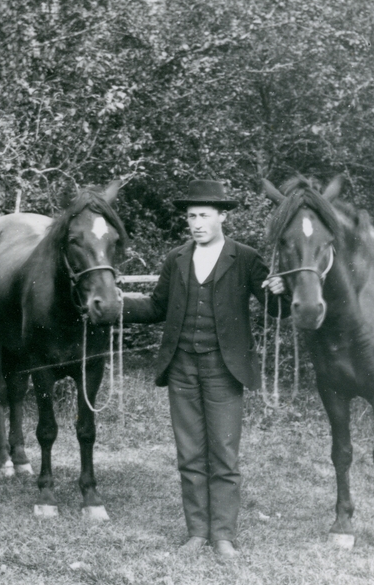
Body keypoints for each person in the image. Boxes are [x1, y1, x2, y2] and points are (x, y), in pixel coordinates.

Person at [119, 179, 287, 558]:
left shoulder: (245, 258)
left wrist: (282, 291)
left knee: (224, 453)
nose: (197, 223)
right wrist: (119, 305)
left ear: (222, 216)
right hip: (181, 367)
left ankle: (223, 535)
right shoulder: (176, 258)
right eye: (191, 216)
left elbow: (275, 309)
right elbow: (157, 306)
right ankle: (197, 532)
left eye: (204, 216)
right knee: (190, 454)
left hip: (224, 369)